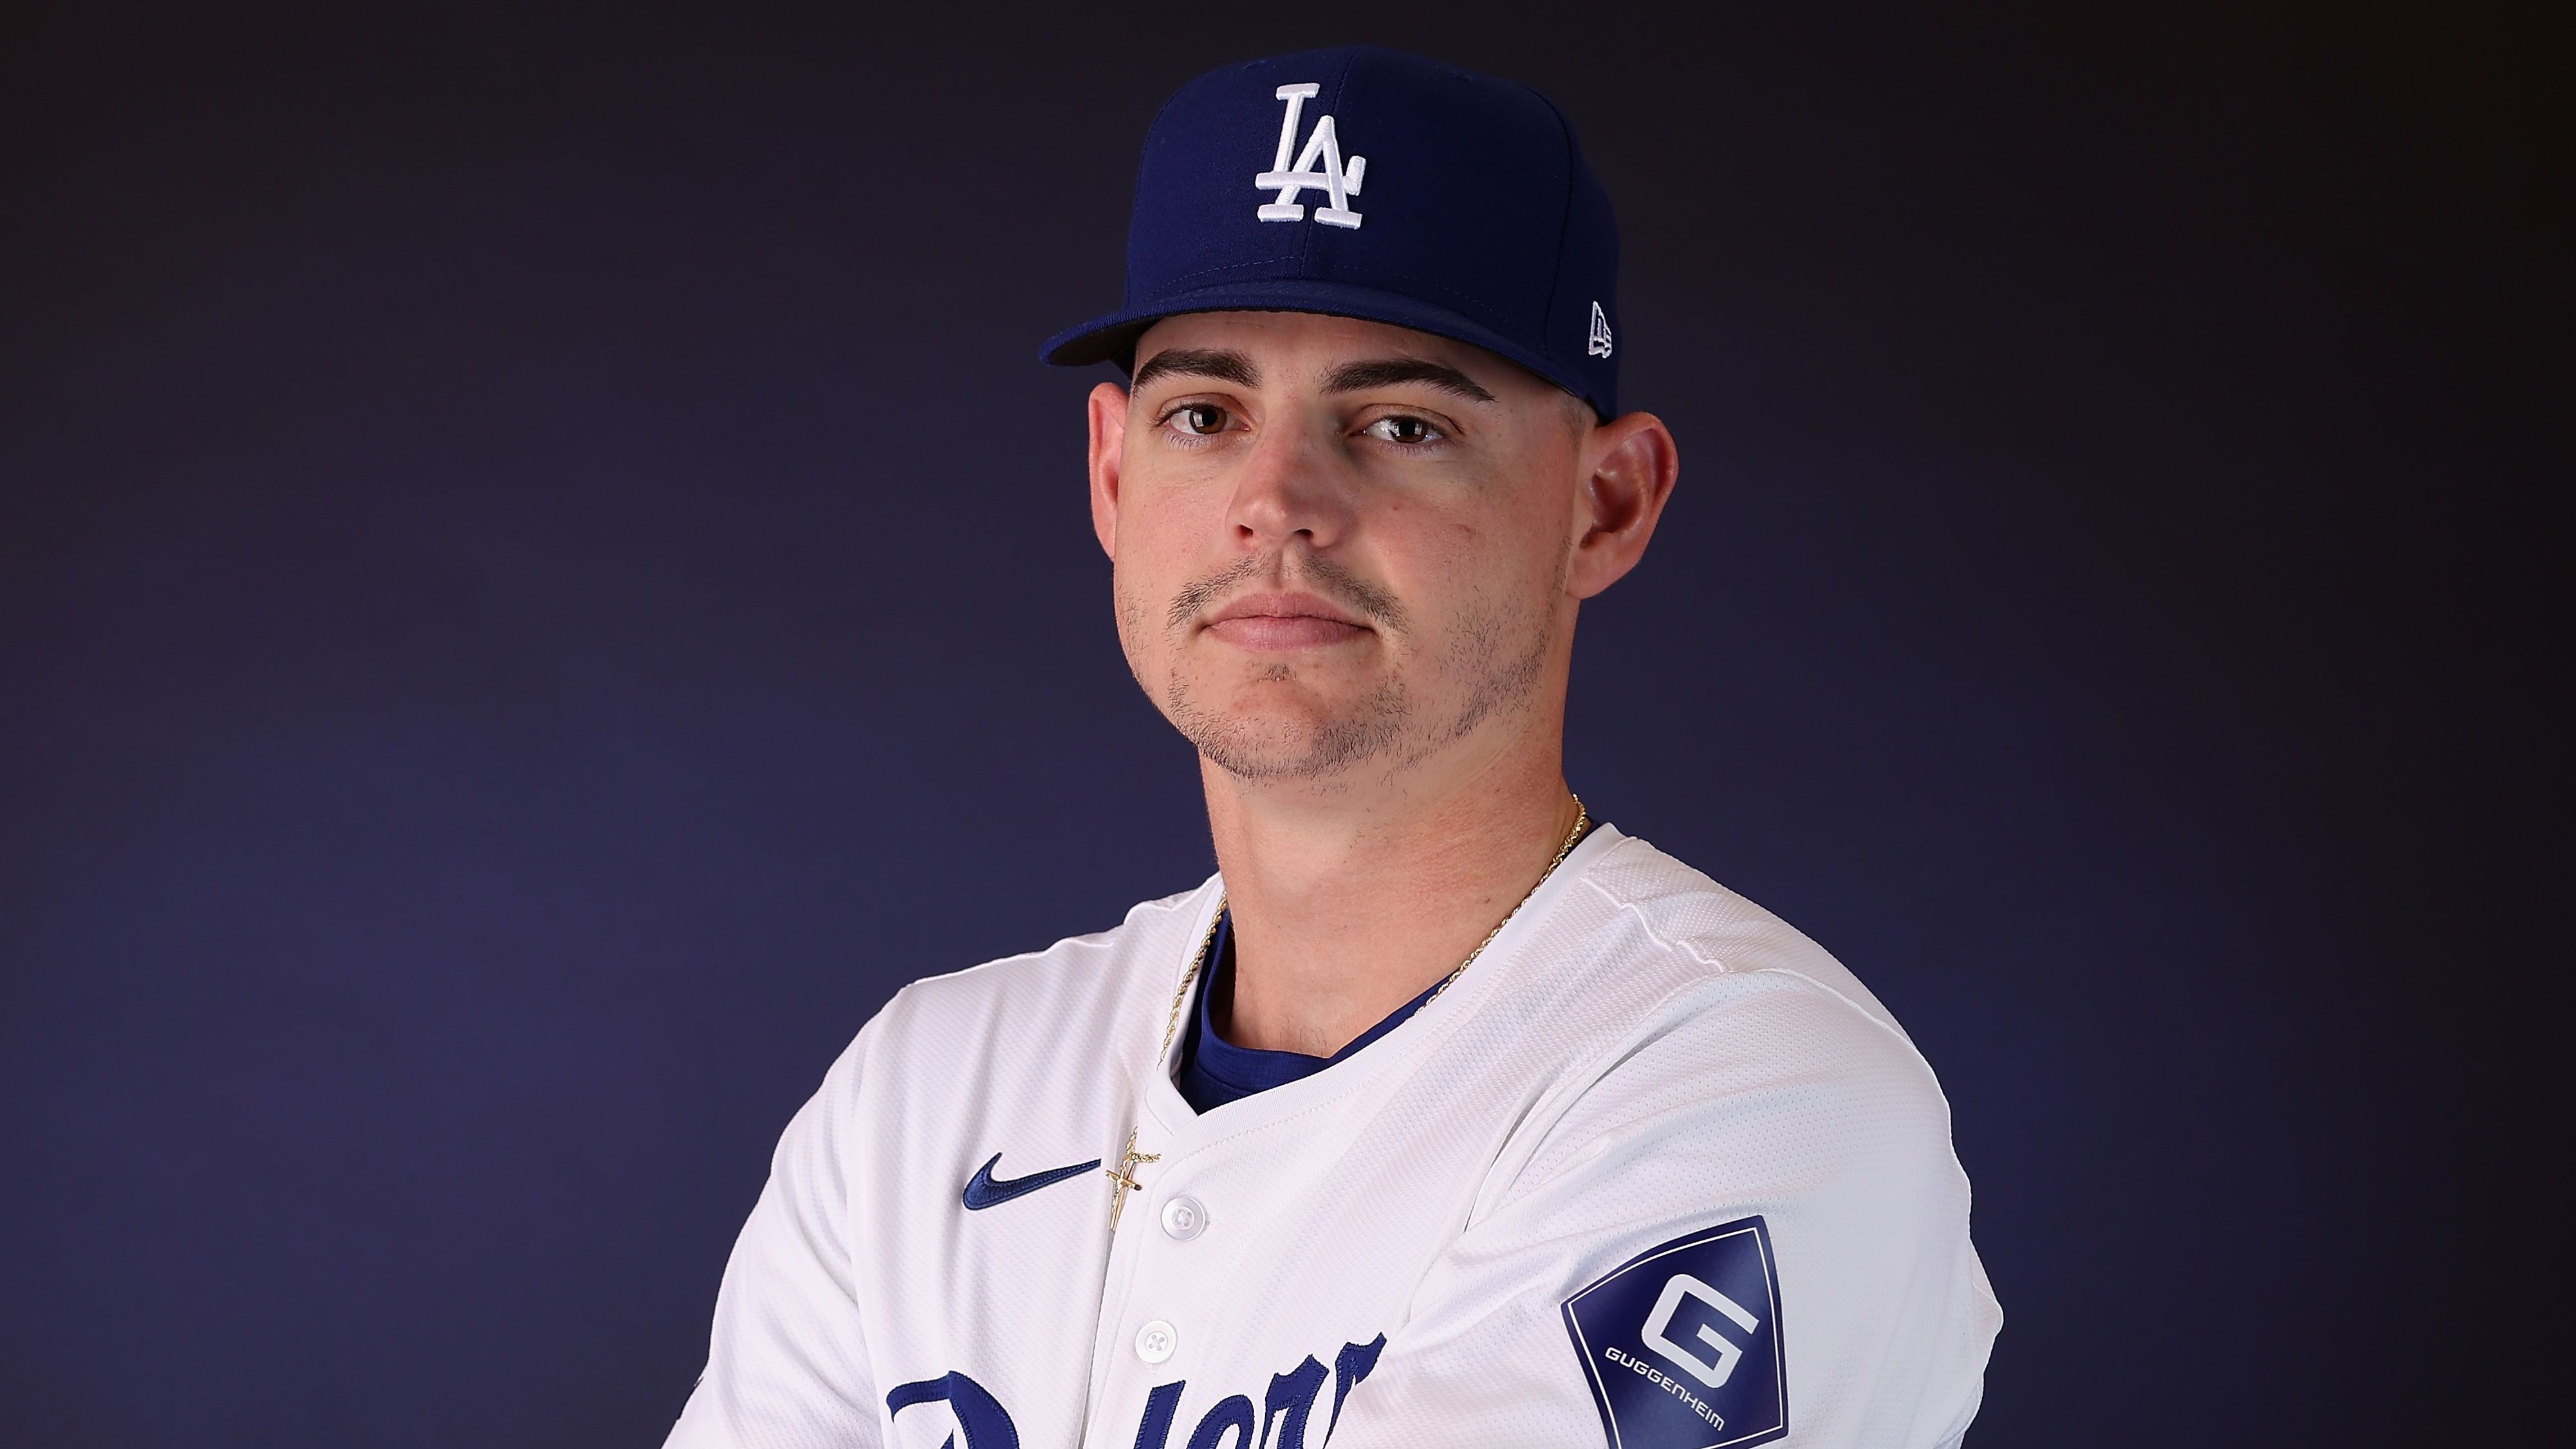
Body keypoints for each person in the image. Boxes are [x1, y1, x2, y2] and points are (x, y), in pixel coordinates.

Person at [667, 45, 1999, 1449]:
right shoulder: (925, 1092)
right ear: (1114, 474)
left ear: (1605, 504)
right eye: (1205, 415)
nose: (1276, 503)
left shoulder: (1754, 1097)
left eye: (1401, 423)